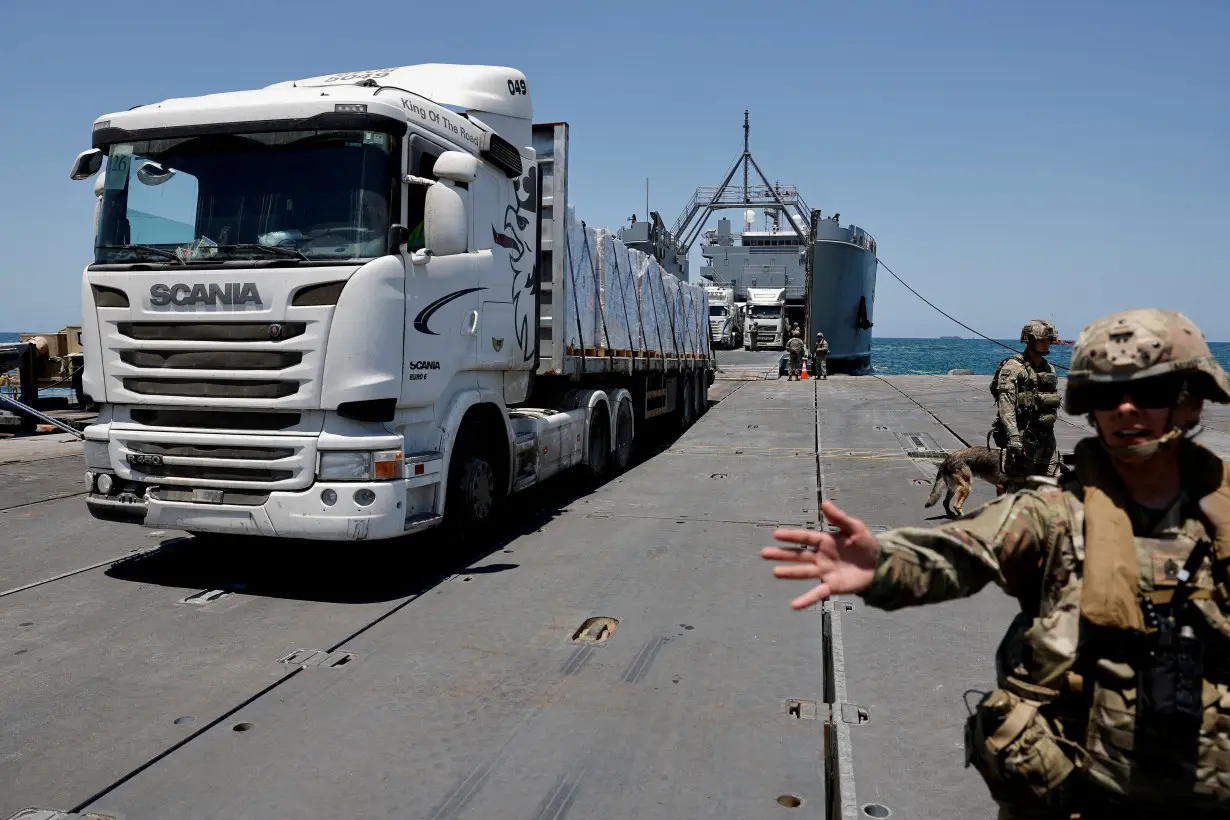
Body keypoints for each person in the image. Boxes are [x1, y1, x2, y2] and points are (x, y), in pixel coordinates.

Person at [762, 308, 1230, 819]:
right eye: (1104, 395)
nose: (1123, 408)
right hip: (1073, 790)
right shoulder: (1053, 511)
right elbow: (961, 551)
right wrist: (883, 563)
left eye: (1149, 392)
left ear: (1191, 402)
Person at [991, 320, 1062, 490]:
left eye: (1049, 340)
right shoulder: (1014, 367)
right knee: (1021, 489)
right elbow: (1006, 404)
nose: (1048, 343)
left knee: (1054, 485)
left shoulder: (1048, 368)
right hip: (1023, 439)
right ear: (1030, 341)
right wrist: (1014, 438)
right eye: (1043, 340)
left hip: (1046, 438)